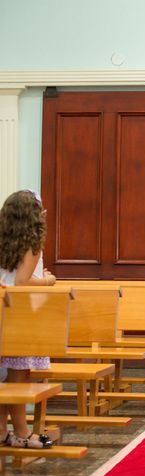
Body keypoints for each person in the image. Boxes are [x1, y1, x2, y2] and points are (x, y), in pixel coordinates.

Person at [0, 190, 56, 449]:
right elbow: (22, 282)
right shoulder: (32, 243)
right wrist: (47, 280)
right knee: (19, 379)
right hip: (21, 314)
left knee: (5, 381)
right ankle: (22, 434)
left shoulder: (3, 239)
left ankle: (2, 431)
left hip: (3, 309)